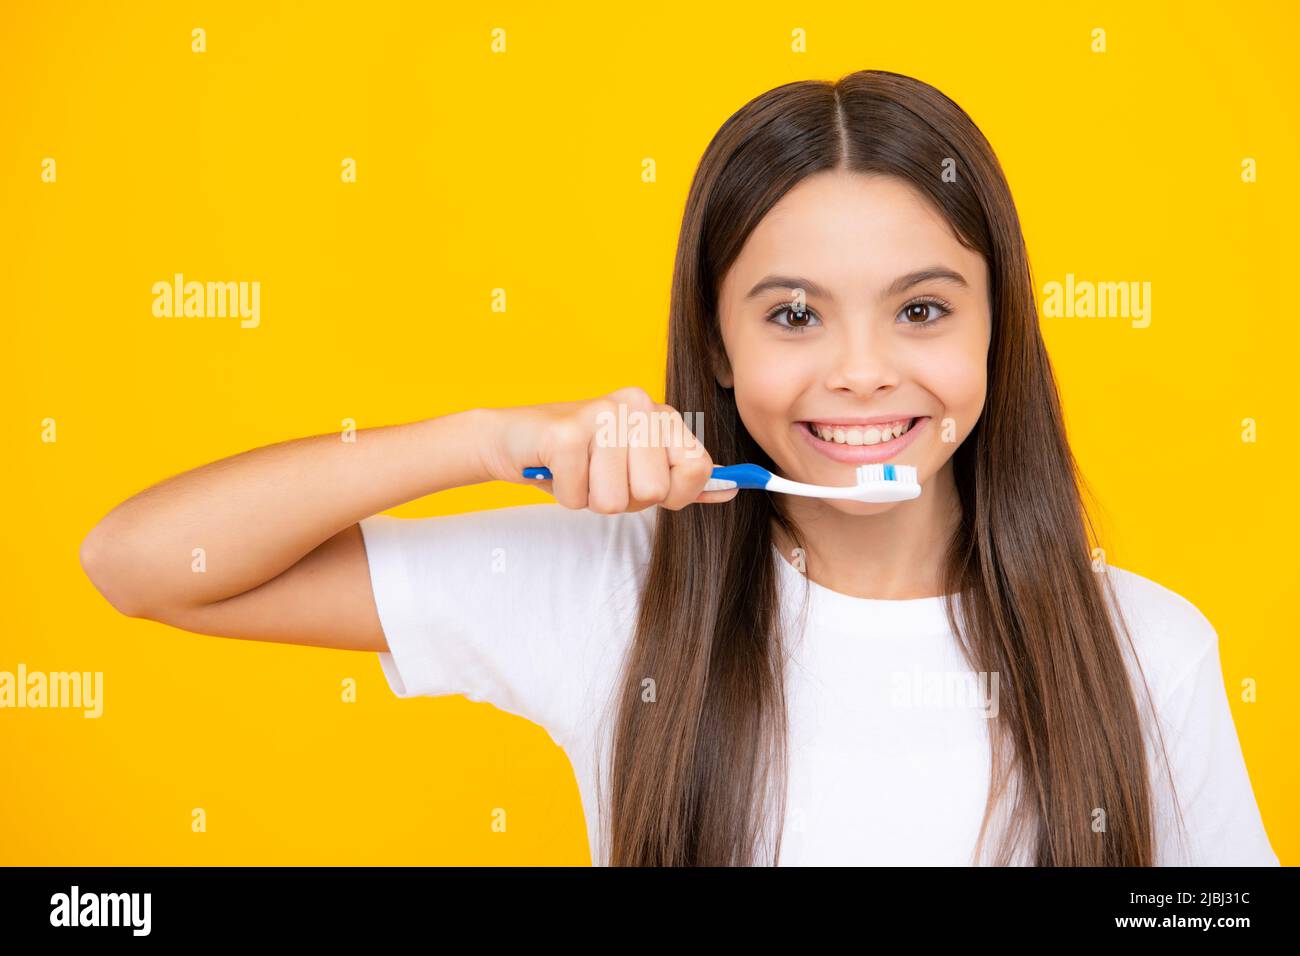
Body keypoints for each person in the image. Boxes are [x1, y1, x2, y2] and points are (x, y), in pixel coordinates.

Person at [79, 69, 1279, 867]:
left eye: (920, 309)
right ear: (714, 340)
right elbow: (140, 562)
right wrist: (496, 440)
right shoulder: (608, 590)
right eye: (794, 315)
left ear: (996, 328)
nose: (861, 373)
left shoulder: (1148, 649)